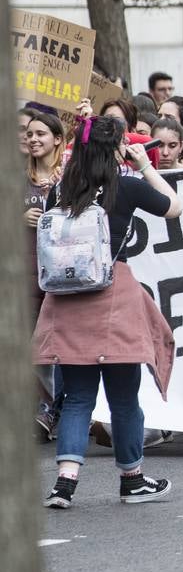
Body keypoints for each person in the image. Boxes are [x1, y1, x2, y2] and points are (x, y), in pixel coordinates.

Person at [36, 115, 181, 508]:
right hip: (113, 295)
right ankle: (132, 479)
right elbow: (173, 207)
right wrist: (146, 165)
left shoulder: (59, 192)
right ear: (115, 149)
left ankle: (64, 484)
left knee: (78, 397)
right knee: (123, 396)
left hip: (67, 300)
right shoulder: (127, 188)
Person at [25, 111, 65, 440]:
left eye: (42, 133)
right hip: (25, 275)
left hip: (61, 275)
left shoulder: (69, 178)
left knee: (57, 345)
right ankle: (41, 407)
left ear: (57, 139)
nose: (34, 139)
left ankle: (54, 409)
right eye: (30, 133)